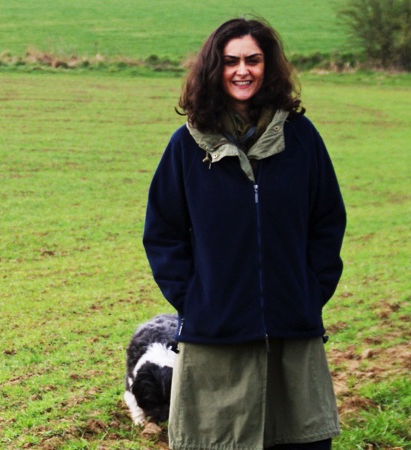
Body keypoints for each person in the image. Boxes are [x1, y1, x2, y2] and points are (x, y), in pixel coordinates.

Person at [142, 17, 346, 450]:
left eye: (253, 60)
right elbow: (163, 233)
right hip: (215, 337)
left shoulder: (301, 139)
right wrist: (197, 299)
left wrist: (309, 291)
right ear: (213, 69)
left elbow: (327, 221)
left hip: (292, 334)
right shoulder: (186, 146)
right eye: (230, 61)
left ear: (268, 67)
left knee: (301, 442)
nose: (242, 70)